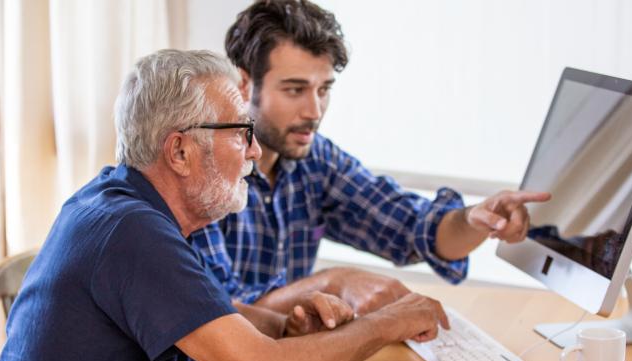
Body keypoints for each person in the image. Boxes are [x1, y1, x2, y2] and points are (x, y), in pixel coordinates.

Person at [0, 49, 448, 361]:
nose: (255, 151)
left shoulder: (130, 206)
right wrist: (389, 323)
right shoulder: (131, 232)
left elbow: (201, 315)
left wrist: (284, 323)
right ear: (179, 151)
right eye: (241, 132)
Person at [190, 0, 550, 315]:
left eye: (324, 89)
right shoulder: (202, 173)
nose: (314, 110)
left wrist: (475, 218)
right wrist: (335, 282)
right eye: (295, 89)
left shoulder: (315, 160)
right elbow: (222, 311)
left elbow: (412, 229)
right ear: (243, 84)